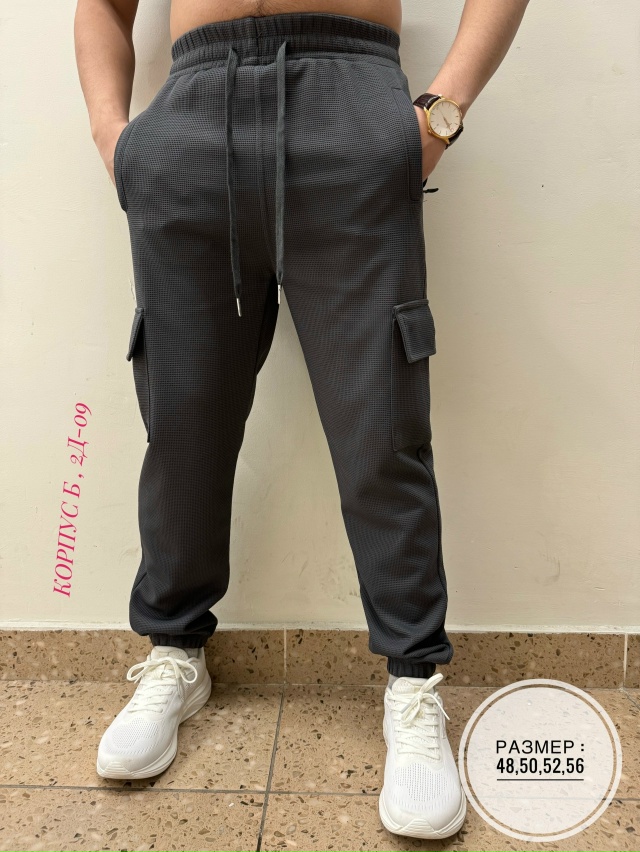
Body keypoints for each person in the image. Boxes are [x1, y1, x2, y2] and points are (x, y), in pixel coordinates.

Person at [75, 0, 530, 839]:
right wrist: (116, 137)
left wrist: (439, 116)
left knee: (380, 423)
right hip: (189, 119)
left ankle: (413, 685)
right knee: (182, 424)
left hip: (350, 104)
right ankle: (175, 653)